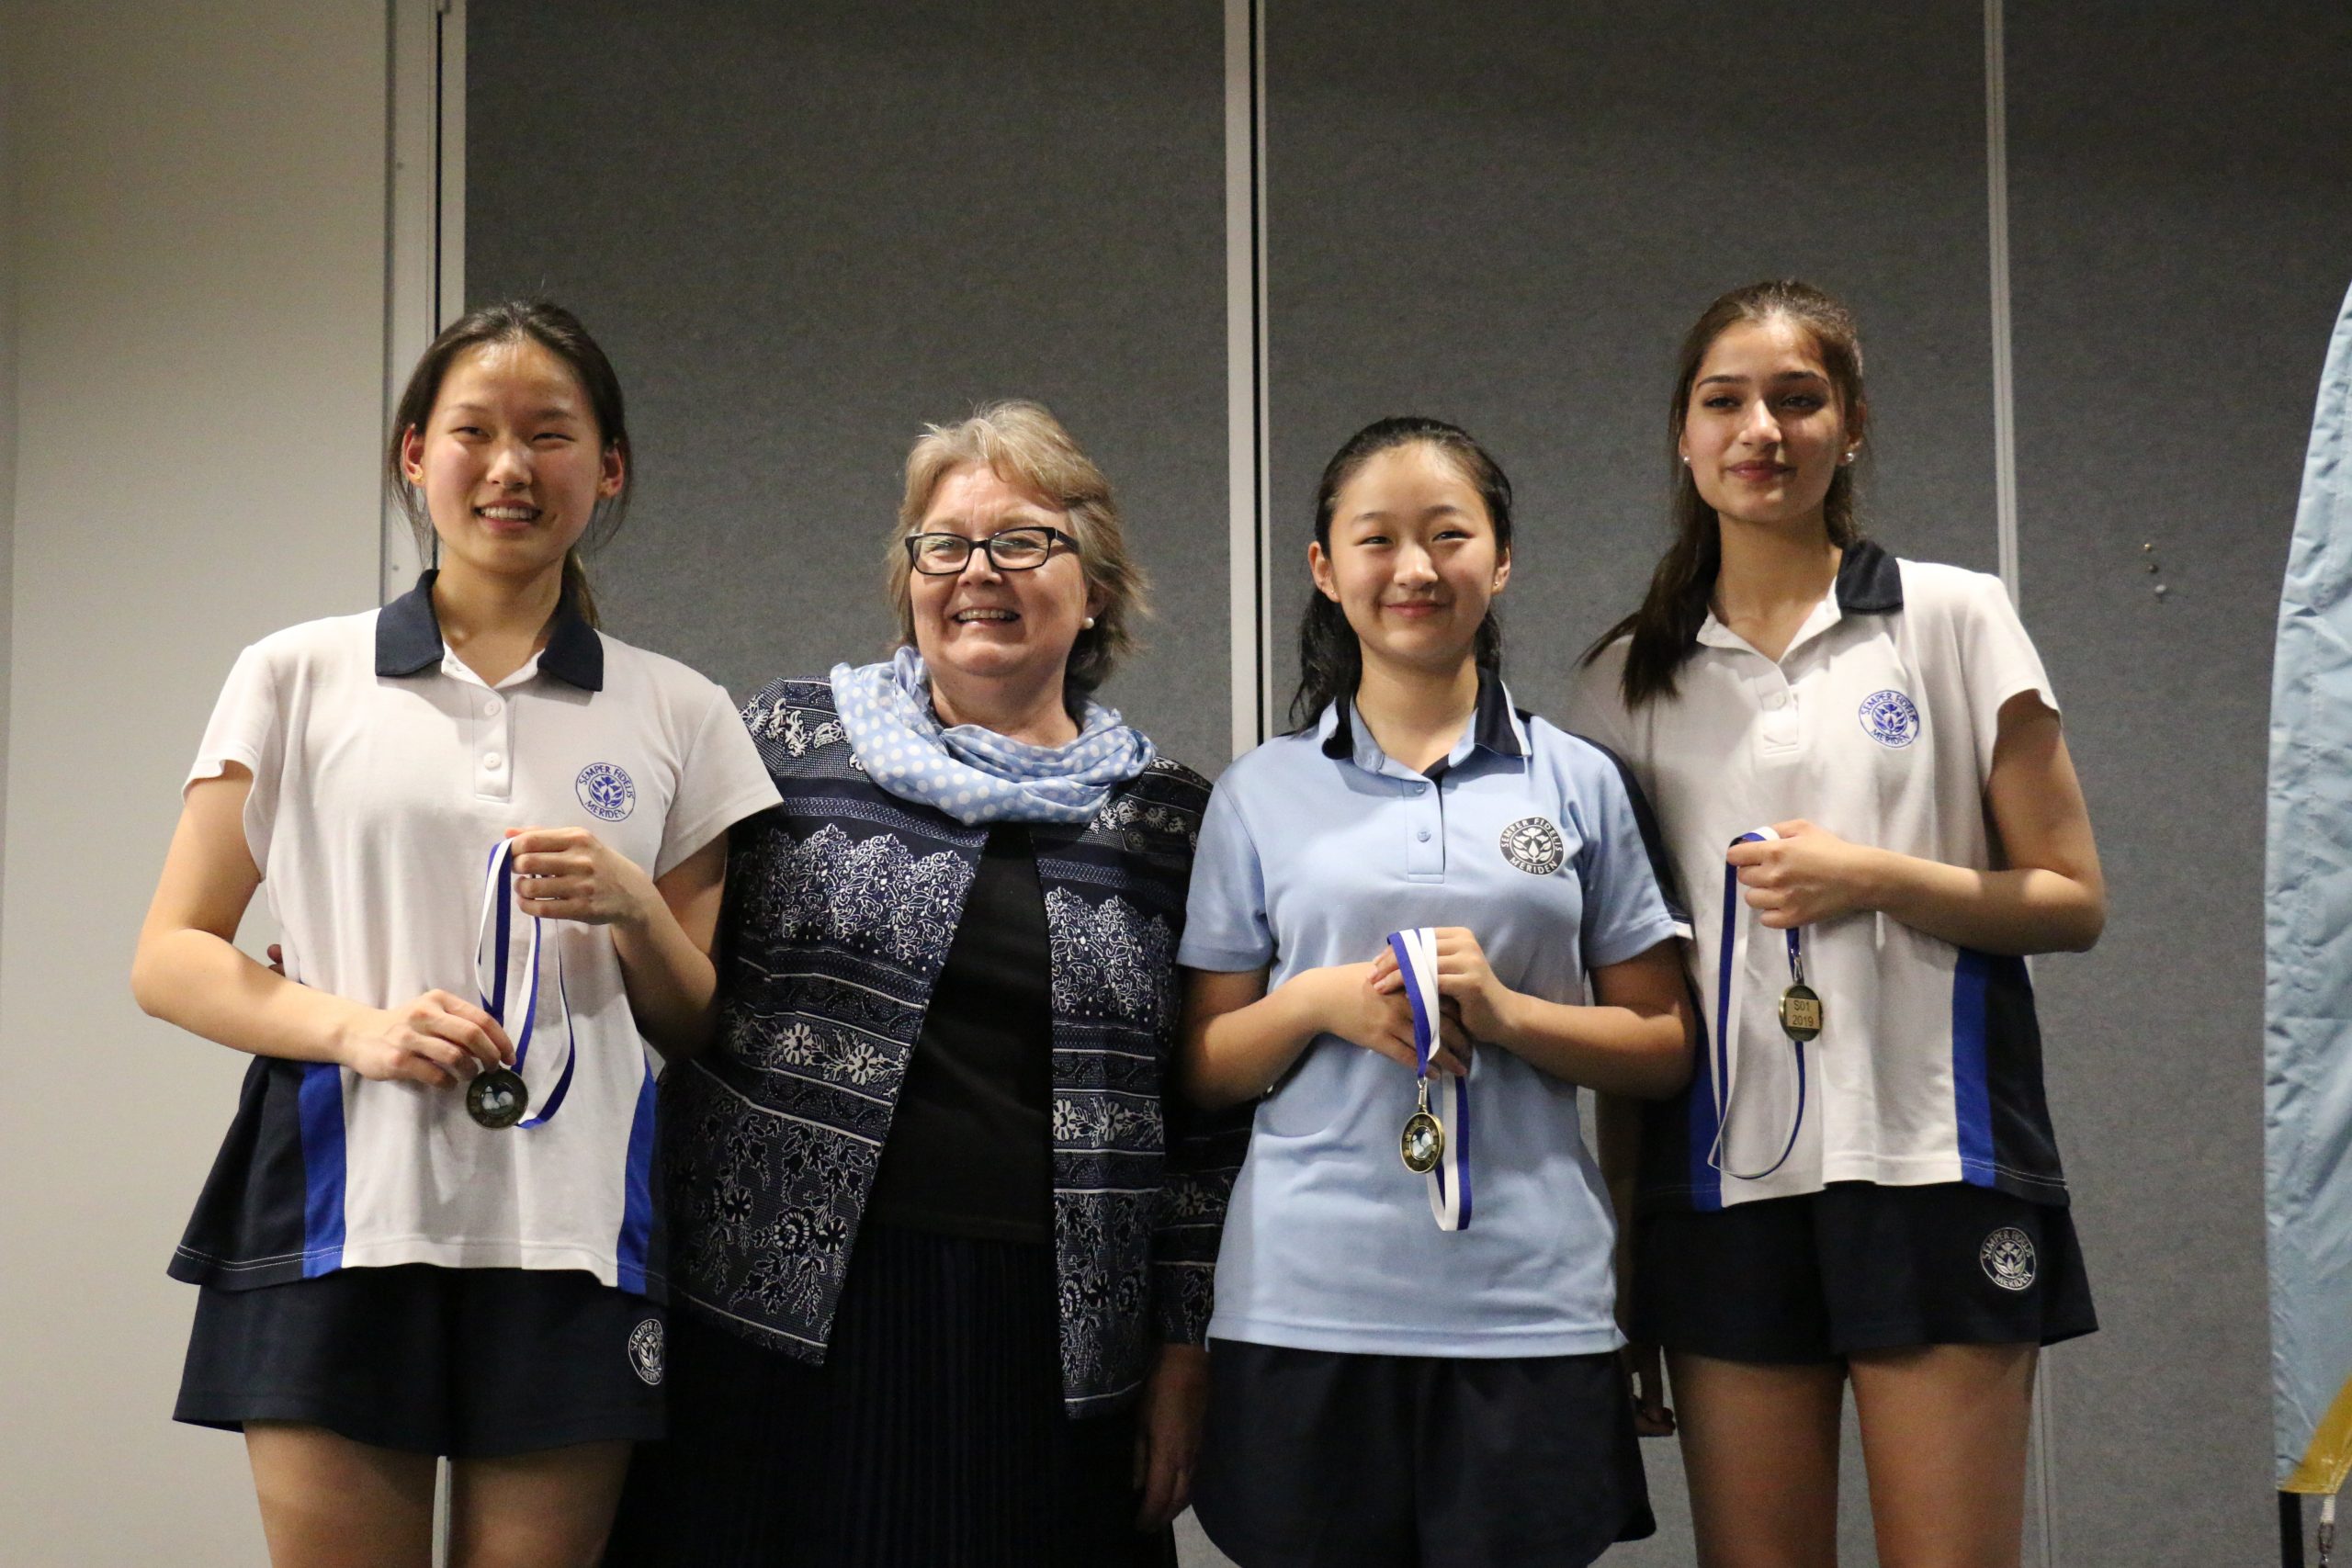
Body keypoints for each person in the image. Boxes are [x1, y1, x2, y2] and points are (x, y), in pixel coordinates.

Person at [131, 300, 782, 1567]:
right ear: (414, 456)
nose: (509, 467)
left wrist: (635, 905)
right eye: (474, 432)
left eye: (551, 434)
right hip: (343, 1210)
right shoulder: (295, 673)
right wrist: (357, 1028)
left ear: (610, 468)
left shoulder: (682, 709)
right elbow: (171, 953)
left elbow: (696, 1016)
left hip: (573, 1230)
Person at [607, 400, 1242, 1567]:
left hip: (1054, 1339)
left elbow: (1204, 1129)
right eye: (942, 544)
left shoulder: (1171, 819)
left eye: (1022, 542)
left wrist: (1183, 1354)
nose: (975, 573)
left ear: (1095, 585)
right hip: (771, 1319)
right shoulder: (782, 745)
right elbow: (644, 954)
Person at [1567, 279, 2105, 1568]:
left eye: (1798, 399)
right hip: (1722, 1192)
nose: (1763, 427)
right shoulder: (1622, 678)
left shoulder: (1956, 614)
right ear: (1683, 439)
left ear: (1849, 426)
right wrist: (1630, 1269)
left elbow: (2071, 899)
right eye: (1726, 401)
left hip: (1937, 1164)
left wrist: (1877, 876)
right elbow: (1631, 1003)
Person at [1177, 416, 1692, 1568]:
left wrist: (1510, 1016)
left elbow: (1662, 1044)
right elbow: (1203, 1064)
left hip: (1528, 1304)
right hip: (1304, 1301)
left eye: (1447, 534)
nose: (1414, 569)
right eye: (1376, 539)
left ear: (1498, 560)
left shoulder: (1580, 782)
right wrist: (1318, 1003)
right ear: (1324, 568)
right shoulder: (1258, 793)